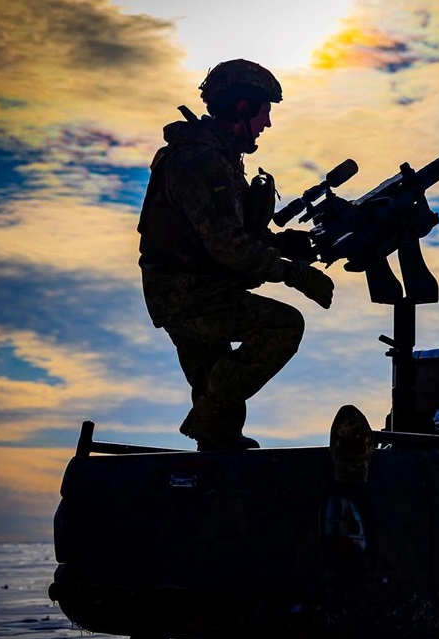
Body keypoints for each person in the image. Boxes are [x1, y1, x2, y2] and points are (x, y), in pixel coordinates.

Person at [137, 59, 335, 451]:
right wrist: (294, 274)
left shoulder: (216, 158)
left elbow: (236, 233)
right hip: (188, 295)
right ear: (242, 106)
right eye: (264, 112)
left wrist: (288, 245)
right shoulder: (200, 161)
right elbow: (229, 246)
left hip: (190, 290)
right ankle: (208, 422)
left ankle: (214, 447)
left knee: (218, 408)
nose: (267, 123)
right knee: (282, 326)